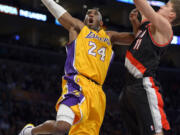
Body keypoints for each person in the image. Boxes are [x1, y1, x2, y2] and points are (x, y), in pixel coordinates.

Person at [18, 0, 139, 135]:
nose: (90, 15)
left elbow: (136, 38)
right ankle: (30, 132)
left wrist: (135, 22)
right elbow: (62, 15)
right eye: (88, 14)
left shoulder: (110, 36)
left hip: (98, 93)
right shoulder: (79, 28)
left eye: (94, 14)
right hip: (77, 82)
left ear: (101, 22)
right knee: (62, 127)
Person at [119, 0, 180, 135]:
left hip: (144, 86)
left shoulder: (165, 27)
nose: (162, 6)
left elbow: (141, 3)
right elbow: (138, 38)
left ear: (171, 15)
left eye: (166, 6)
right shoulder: (149, 24)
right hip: (130, 86)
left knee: (155, 132)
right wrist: (135, 22)